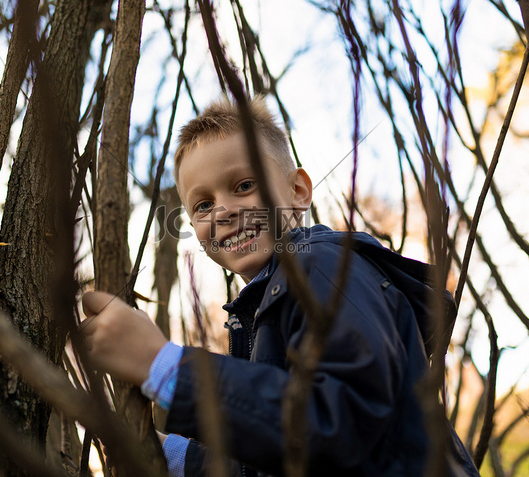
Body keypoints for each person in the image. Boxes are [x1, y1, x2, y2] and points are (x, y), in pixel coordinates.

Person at [81, 97, 480, 476]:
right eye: (203, 205)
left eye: (243, 186)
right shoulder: (265, 306)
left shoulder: (323, 267)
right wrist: (172, 455)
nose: (223, 211)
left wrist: (165, 366)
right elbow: (276, 454)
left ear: (298, 191)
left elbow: (339, 424)